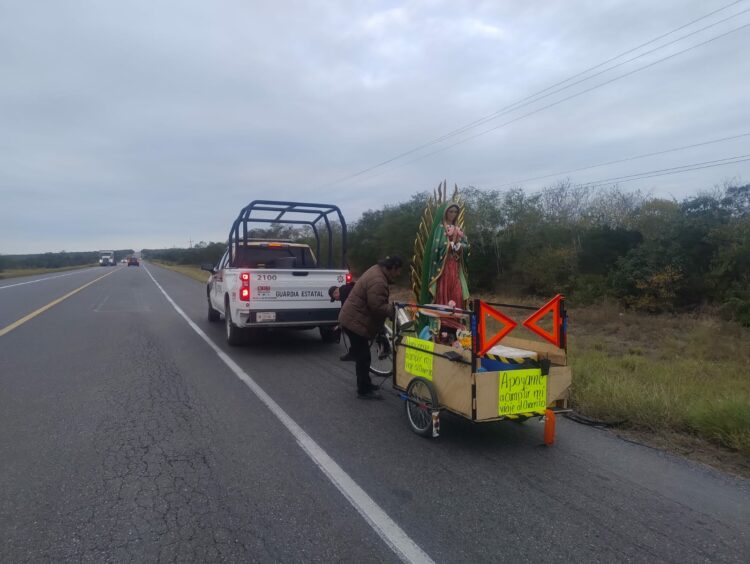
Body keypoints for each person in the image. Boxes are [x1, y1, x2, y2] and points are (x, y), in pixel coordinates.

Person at [338, 256, 403, 399]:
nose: (398, 274)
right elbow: (377, 306)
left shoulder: (377, 270)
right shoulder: (378, 281)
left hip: (353, 318)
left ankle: (365, 383)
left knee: (363, 355)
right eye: (398, 270)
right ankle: (364, 390)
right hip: (354, 321)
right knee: (363, 357)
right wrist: (393, 311)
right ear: (392, 268)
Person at [422, 202, 469, 333]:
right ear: (445, 213)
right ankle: (442, 328)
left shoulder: (458, 228)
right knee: (443, 294)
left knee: (457, 294)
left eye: (455, 212)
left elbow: (466, 246)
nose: (453, 214)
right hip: (442, 270)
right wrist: (449, 245)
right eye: (451, 211)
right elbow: (436, 249)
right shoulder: (440, 228)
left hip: (456, 267)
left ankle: (456, 326)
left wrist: (459, 246)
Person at [328, 280, 356, 361]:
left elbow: (345, 312)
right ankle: (353, 352)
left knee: (351, 330)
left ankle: (354, 353)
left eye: (334, 298)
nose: (336, 300)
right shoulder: (345, 290)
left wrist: (339, 327)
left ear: (335, 292)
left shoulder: (344, 292)